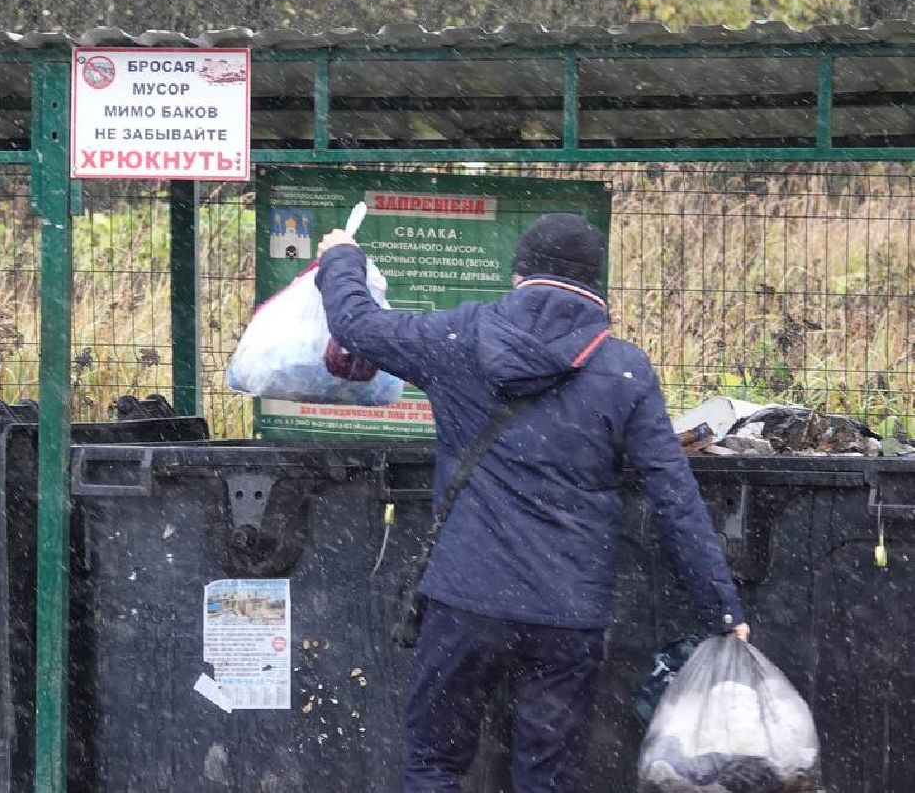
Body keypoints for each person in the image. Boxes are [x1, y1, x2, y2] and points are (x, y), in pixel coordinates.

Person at [314, 212, 749, 793]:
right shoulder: (623, 368)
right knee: (546, 779)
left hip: (466, 601)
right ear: (596, 284)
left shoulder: (457, 337)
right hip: (567, 612)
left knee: (435, 764)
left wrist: (343, 257)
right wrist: (722, 609)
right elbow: (674, 494)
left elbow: (357, 323)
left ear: (518, 273)